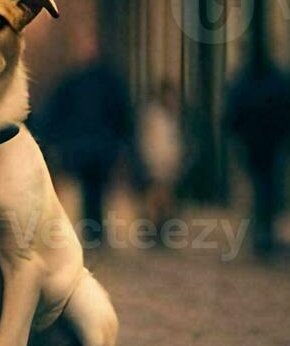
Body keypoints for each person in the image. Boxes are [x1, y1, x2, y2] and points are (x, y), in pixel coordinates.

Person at [40, 55, 134, 245]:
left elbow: (54, 116)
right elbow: (122, 115)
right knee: (96, 190)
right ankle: (95, 232)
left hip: (84, 148)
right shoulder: (107, 82)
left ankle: (93, 231)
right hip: (100, 148)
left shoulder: (72, 83)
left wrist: (55, 142)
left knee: (90, 191)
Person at [224, 56, 290, 256]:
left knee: (261, 189)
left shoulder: (246, 83)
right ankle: (264, 231)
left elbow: (233, 114)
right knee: (267, 189)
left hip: (258, 146)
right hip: (267, 146)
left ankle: (262, 231)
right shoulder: (276, 82)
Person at [136, 80, 188, 228]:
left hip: (170, 165)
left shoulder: (175, 117)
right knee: (156, 199)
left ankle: (161, 227)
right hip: (156, 165)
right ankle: (154, 228)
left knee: (165, 199)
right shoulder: (154, 118)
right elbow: (150, 143)